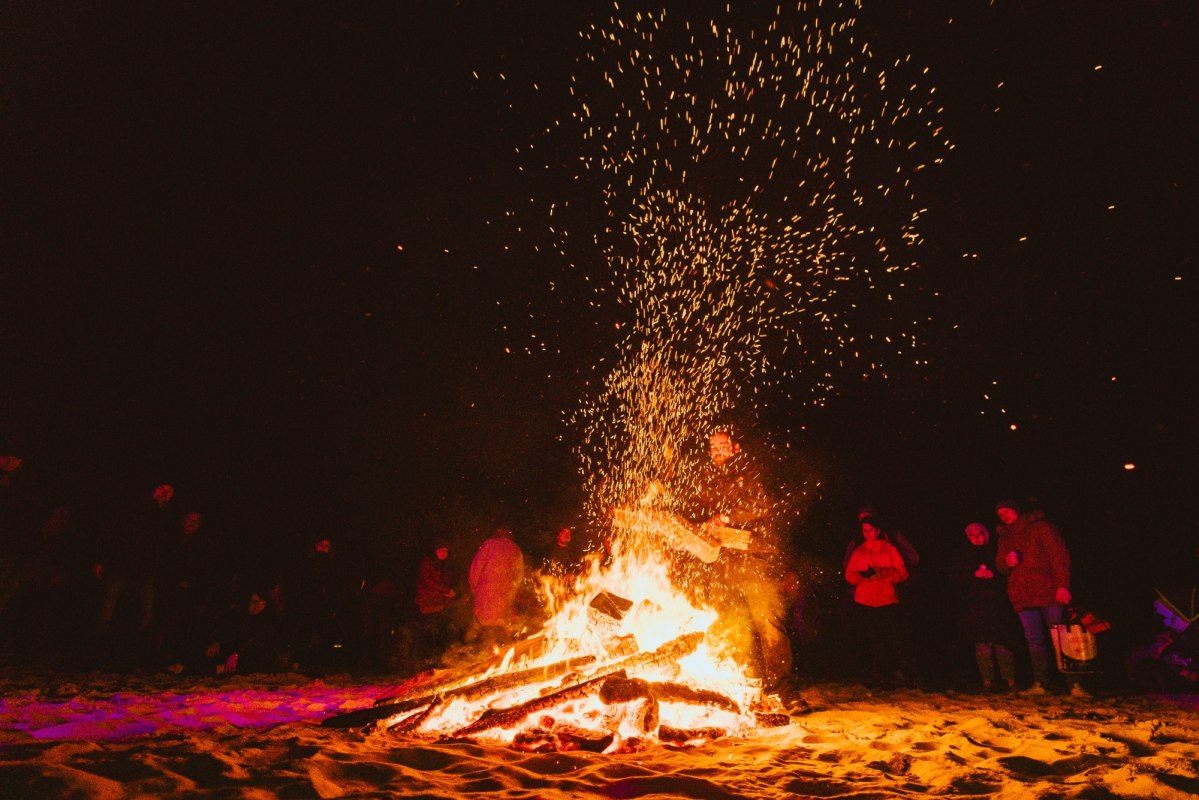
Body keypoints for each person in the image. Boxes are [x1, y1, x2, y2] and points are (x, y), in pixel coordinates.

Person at [692, 429, 793, 691]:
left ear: (735, 447)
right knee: (735, 622)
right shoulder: (708, 478)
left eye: (722, 445)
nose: (716, 450)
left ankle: (782, 687)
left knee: (767, 620)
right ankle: (751, 683)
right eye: (712, 446)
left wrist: (725, 518)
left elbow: (761, 505)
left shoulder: (750, 470)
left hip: (755, 555)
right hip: (725, 559)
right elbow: (701, 512)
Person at [993, 498, 1073, 695]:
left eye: (1007, 511)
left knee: (1061, 638)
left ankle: (1074, 684)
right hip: (1023, 595)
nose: (1004, 516)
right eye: (1000, 514)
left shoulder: (1041, 527)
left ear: (1017, 510)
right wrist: (1006, 561)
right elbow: (1000, 566)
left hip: (1048, 591)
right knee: (1034, 641)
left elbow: (1059, 556)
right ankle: (1041, 682)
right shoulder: (1005, 537)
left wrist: (1063, 585)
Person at [844, 515, 909, 687]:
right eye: (864, 530)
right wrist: (862, 577)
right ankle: (875, 674)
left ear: (878, 530)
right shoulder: (859, 552)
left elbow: (903, 573)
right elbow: (849, 576)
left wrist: (885, 574)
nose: (867, 533)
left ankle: (904, 672)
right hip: (865, 601)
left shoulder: (889, 549)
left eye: (870, 530)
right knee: (872, 640)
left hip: (886, 599)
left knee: (894, 638)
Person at [953, 522, 1019, 691]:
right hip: (975, 606)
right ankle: (987, 680)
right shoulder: (963, 555)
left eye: (979, 534)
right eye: (972, 535)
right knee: (982, 644)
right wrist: (974, 576)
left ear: (985, 534)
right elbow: (956, 579)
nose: (976, 537)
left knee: (1001, 642)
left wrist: (993, 576)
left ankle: (1010, 680)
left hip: (997, 604)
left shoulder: (995, 551)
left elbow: (1007, 574)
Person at [468, 527, 525, 648]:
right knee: (501, 638)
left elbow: (476, 568)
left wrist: (474, 588)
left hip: (485, 597)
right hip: (505, 600)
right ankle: (500, 658)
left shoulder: (488, 545)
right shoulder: (515, 548)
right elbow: (519, 575)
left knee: (483, 634)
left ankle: (480, 657)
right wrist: (514, 593)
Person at [415, 539, 460, 663]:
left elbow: (449, 581)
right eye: (442, 550)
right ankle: (424, 660)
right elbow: (427, 581)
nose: (444, 553)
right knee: (428, 633)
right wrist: (446, 590)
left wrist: (452, 593)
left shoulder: (445, 565)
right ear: (436, 550)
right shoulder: (427, 563)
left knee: (439, 632)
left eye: (446, 551)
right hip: (428, 603)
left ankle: (438, 660)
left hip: (440, 604)